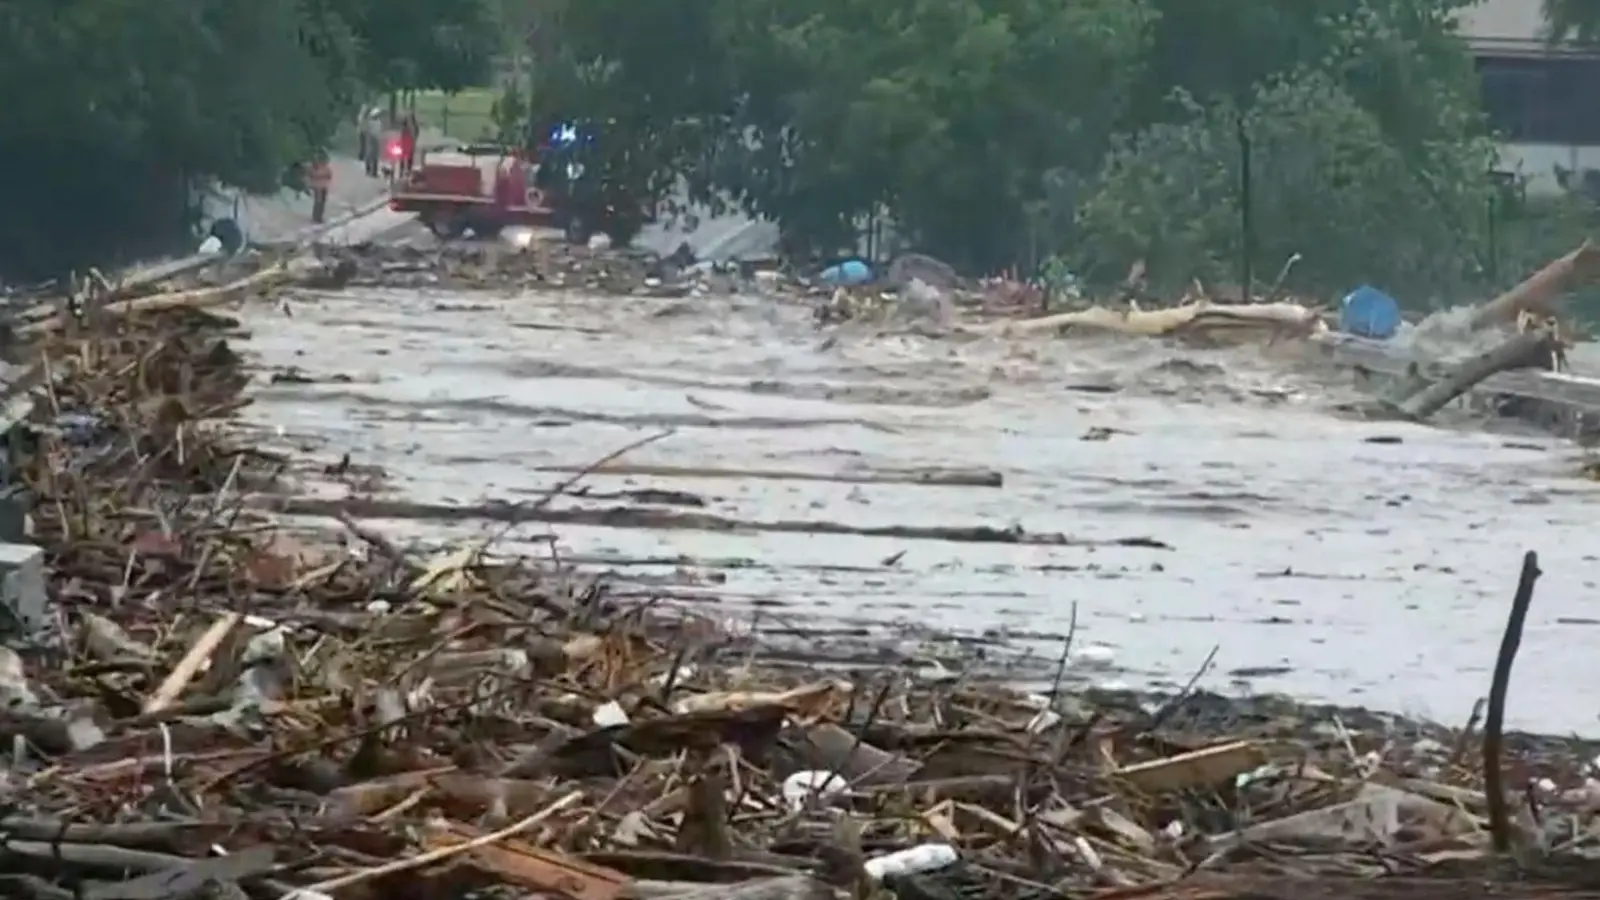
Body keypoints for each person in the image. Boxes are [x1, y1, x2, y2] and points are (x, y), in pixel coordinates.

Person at [307, 153, 333, 224]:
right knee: (318, 202)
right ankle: (316, 217)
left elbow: (329, 175)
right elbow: (311, 177)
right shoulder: (313, 169)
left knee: (322, 202)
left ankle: (319, 216)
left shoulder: (325, 168)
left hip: (323, 186)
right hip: (317, 187)